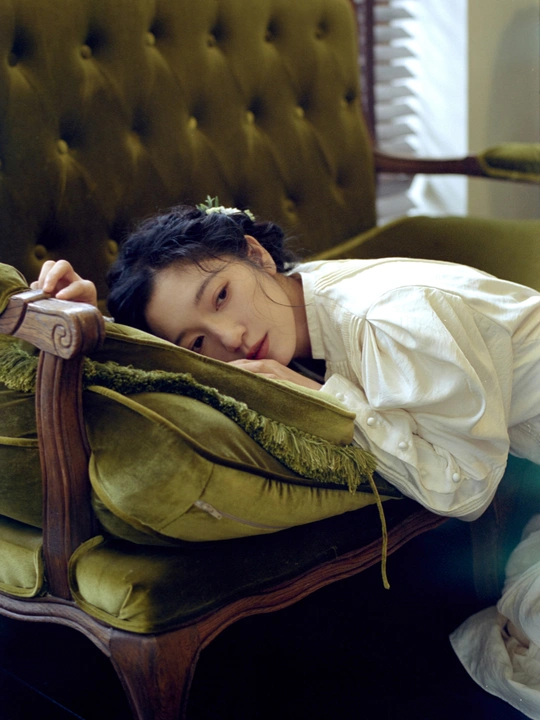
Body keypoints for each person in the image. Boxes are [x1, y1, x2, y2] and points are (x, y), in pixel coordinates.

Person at [31, 201, 540, 523]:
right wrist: (93, 325)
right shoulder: (301, 298)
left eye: (222, 296)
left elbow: (468, 491)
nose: (230, 338)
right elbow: (167, 364)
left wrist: (322, 401)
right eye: (198, 343)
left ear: (257, 255)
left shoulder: (383, 319)